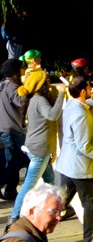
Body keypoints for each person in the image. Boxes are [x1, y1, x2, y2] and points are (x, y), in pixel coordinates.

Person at [54, 77, 93, 242]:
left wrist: (91, 100)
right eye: (88, 87)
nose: (91, 89)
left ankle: (38, 227)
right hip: (81, 169)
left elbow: (82, 105)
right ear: (82, 91)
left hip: (66, 165)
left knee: (59, 203)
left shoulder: (71, 105)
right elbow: (84, 147)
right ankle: (90, 238)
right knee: (90, 203)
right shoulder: (81, 115)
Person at [10, 75, 62, 225]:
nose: (48, 81)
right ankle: (14, 216)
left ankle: (57, 207)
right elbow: (52, 115)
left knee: (50, 180)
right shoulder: (40, 100)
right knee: (29, 185)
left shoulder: (33, 99)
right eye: (46, 80)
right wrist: (62, 94)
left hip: (35, 146)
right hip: (40, 149)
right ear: (41, 85)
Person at [0, 58, 27, 200]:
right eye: (22, 68)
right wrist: (29, 86)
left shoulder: (4, 85)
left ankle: (10, 190)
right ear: (16, 72)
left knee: (13, 161)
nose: (24, 70)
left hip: (6, 129)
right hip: (13, 130)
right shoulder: (12, 87)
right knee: (21, 161)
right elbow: (22, 102)